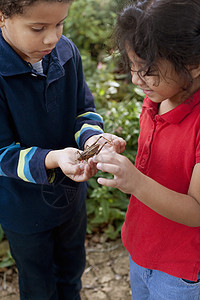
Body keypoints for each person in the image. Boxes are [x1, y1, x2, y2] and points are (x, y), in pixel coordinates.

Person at [0, 0, 126, 299]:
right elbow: (2, 153)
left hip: (71, 197)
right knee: (38, 284)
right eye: (38, 28)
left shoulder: (66, 52)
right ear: (3, 16)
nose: (52, 38)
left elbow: (83, 111)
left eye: (60, 24)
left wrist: (92, 139)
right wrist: (54, 158)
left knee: (71, 271)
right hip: (22, 209)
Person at [91, 0, 200, 299]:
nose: (137, 80)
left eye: (147, 70)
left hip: (179, 271)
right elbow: (160, 164)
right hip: (140, 247)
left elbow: (197, 210)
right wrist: (122, 155)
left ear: (192, 62)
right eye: (133, 68)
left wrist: (136, 182)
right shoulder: (156, 99)